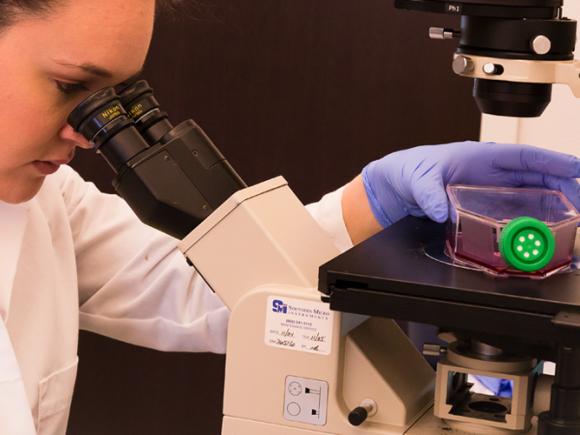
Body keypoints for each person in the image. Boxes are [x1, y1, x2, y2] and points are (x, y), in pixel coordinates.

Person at [0, 0, 578, 434]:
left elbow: (216, 289)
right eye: (72, 86)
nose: (86, 129)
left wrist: (372, 198)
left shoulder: (52, 206)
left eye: (118, 98)